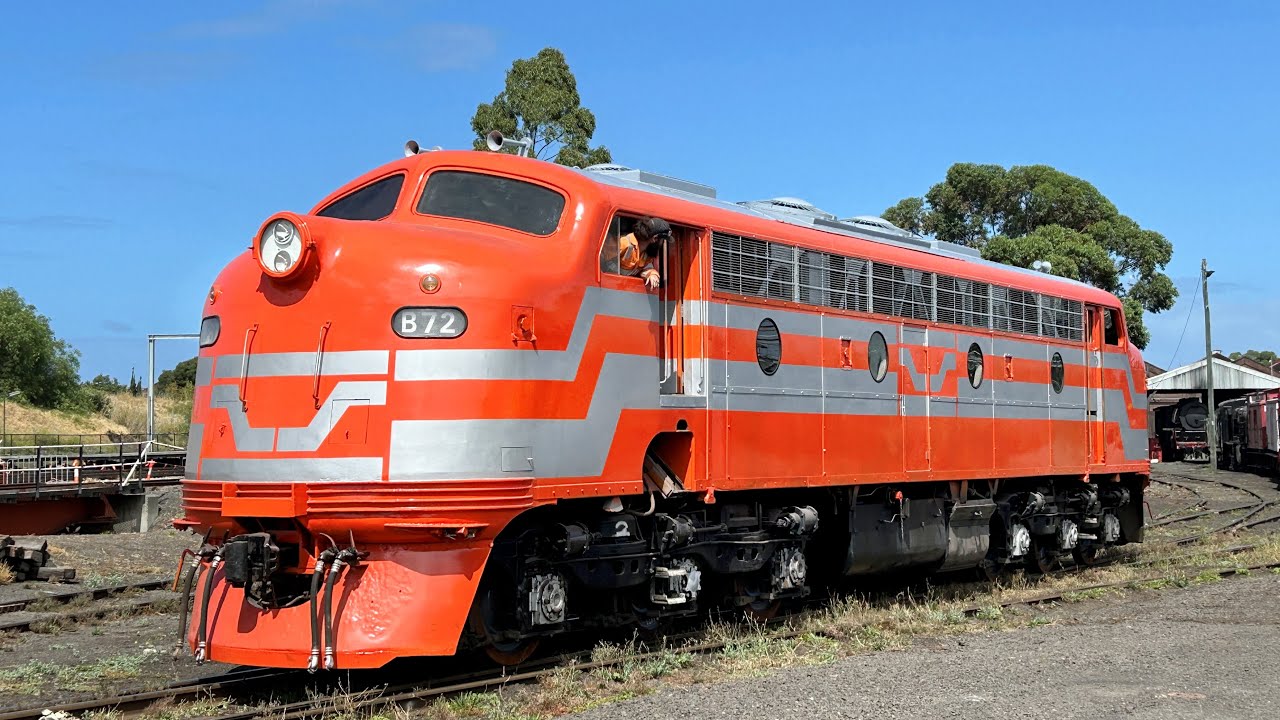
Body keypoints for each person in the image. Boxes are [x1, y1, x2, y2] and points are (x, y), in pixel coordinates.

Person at [618, 217, 672, 290]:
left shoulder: (646, 255)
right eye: (662, 240)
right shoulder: (624, 243)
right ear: (655, 239)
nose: (661, 244)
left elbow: (646, 269)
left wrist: (652, 275)